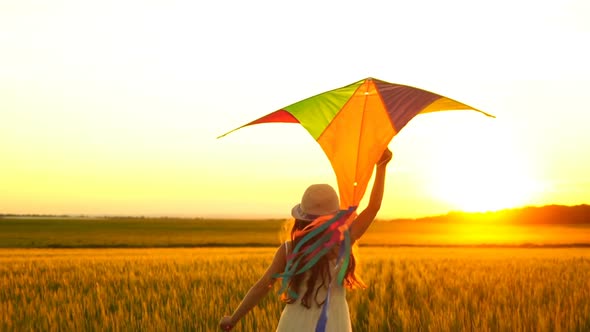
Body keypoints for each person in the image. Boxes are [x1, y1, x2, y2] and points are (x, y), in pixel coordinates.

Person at [219, 148, 393, 331]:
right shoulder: (342, 242)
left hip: (293, 323)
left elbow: (262, 286)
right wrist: (381, 167)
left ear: (302, 218)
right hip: (334, 324)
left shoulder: (289, 249)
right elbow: (373, 207)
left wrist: (233, 318)